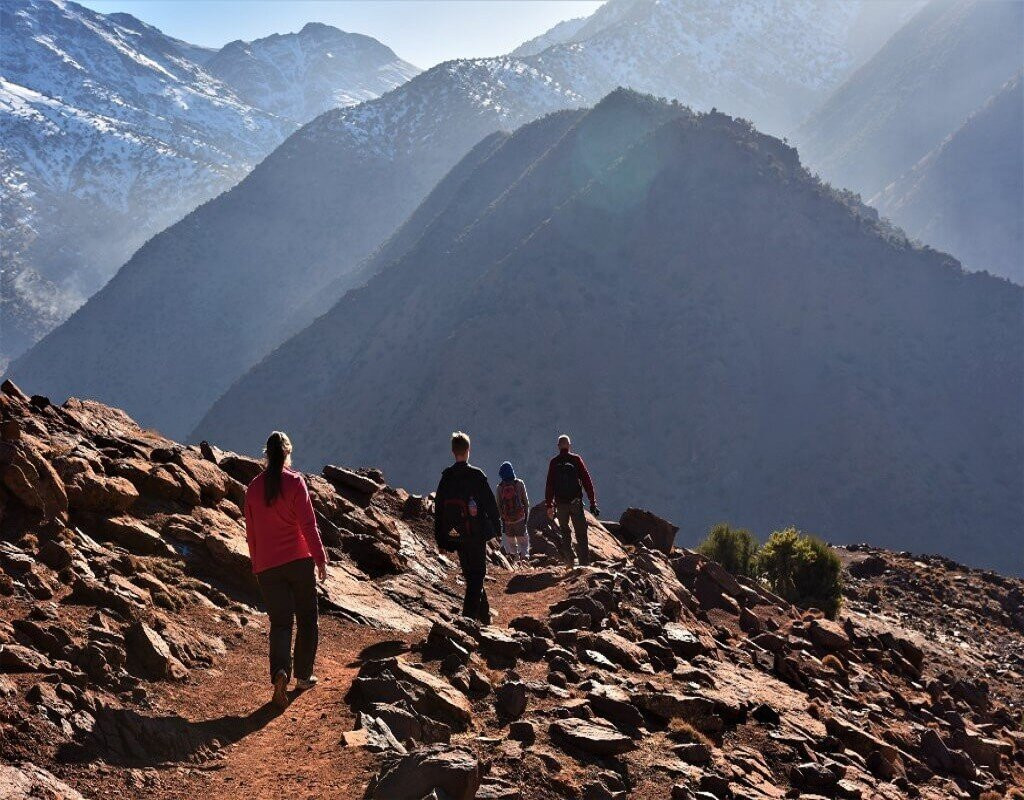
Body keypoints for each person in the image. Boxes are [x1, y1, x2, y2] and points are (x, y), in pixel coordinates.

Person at [244, 431, 328, 708]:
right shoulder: (295, 482)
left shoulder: (254, 488)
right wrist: (320, 558)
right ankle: (303, 675)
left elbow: (251, 532)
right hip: (298, 561)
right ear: (288, 452)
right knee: (306, 617)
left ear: (266, 455)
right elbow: (308, 525)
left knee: (280, 623)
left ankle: (280, 671)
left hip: (268, 566)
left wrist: (257, 564)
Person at [434, 431, 501, 622]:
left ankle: (484, 616)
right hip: (476, 534)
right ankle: (467, 621)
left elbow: (438, 510)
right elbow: (490, 505)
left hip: (456, 535)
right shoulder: (476, 476)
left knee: (471, 575)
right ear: (468, 450)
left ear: (453, 451)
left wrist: (440, 539)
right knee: (477, 575)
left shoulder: (446, 478)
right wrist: (497, 528)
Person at [544, 434, 599, 567]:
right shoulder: (576, 459)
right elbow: (587, 480)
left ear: (558, 446)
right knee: (581, 533)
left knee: (565, 532)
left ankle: (569, 562)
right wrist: (592, 502)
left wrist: (549, 504)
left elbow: (549, 485)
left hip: (561, 504)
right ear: (569, 445)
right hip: (575, 502)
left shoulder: (554, 462)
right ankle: (584, 564)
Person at [495, 461, 530, 566]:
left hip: (508, 521)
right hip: (520, 519)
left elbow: (498, 506)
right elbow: (526, 502)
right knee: (523, 542)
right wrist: (525, 517)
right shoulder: (519, 483)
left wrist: (504, 518)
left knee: (511, 544)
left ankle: (515, 562)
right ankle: (524, 560)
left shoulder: (499, 487)